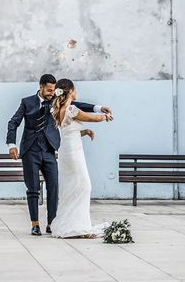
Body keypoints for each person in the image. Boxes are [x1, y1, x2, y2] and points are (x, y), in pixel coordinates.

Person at [6, 74, 111, 236]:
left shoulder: (55, 102)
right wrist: (11, 144)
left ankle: (51, 223)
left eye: (54, 90)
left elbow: (74, 104)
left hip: (49, 150)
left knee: (54, 187)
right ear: (40, 87)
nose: (51, 93)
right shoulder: (27, 102)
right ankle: (35, 224)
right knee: (33, 189)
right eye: (48, 90)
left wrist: (98, 107)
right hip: (30, 151)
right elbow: (13, 122)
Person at [50, 78, 112, 239]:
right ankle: (80, 227)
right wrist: (105, 116)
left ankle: (75, 225)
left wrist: (84, 132)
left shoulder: (58, 109)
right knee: (84, 186)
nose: (76, 92)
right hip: (73, 153)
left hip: (66, 151)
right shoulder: (71, 109)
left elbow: (68, 131)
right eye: (75, 89)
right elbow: (94, 118)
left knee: (72, 187)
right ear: (70, 91)